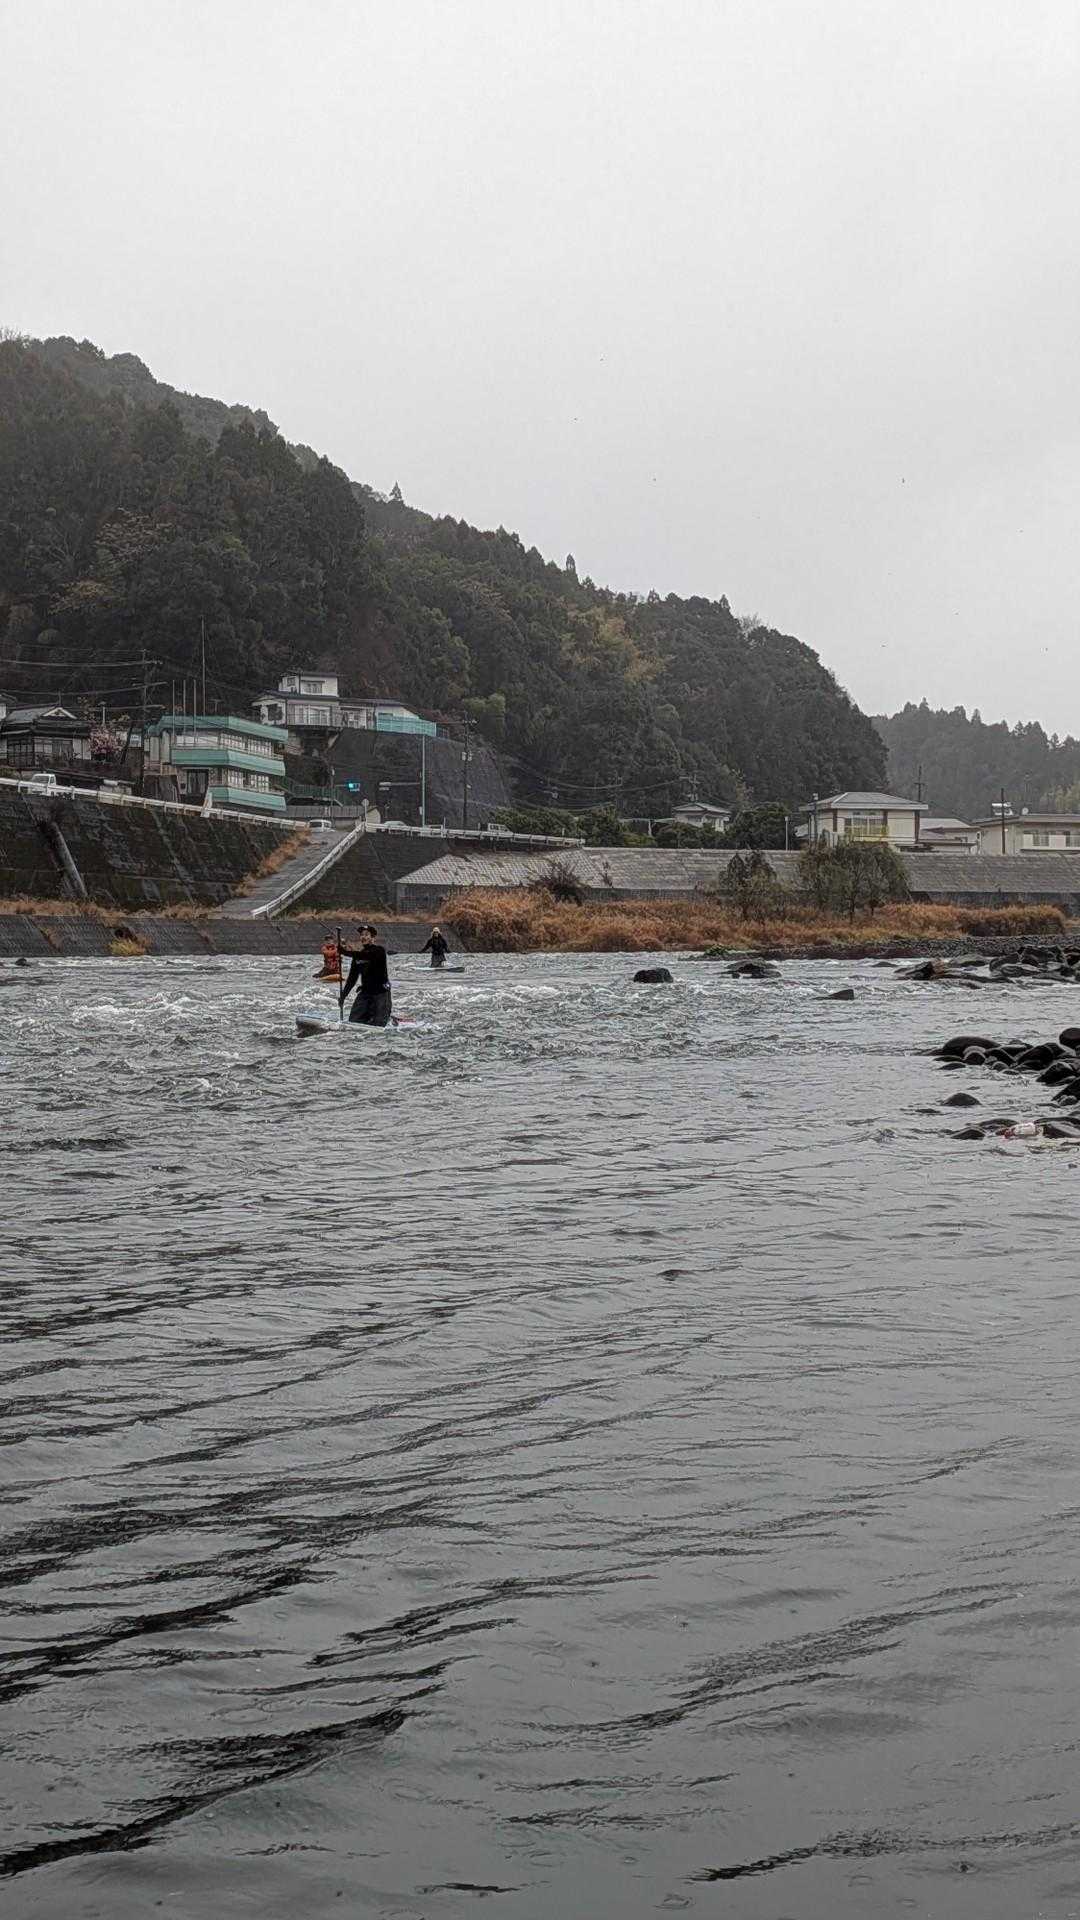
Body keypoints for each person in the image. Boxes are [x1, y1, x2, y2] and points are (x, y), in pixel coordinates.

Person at [339, 924, 392, 1027]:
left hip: (381, 992)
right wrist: (343, 996)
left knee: (378, 1024)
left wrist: (346, 952)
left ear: (373, 938)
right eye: (362, 935)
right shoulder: (357, 956)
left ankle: (387, 1017)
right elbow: (352, 979)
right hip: (365, 992)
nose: (363, 937)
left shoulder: (379, 951)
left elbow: (368, 955)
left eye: (366, 935)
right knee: (353, 1021)